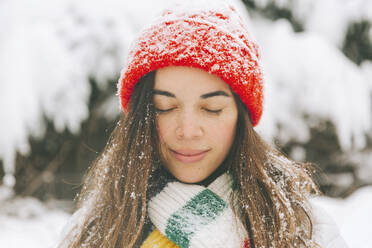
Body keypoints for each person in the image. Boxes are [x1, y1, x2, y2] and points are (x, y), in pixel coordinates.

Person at [58, 1, 349, 247]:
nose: (187, 130)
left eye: (211, 109)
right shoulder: (97, 230)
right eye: (165, 107)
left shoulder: (303, 229)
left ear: (241, 116)